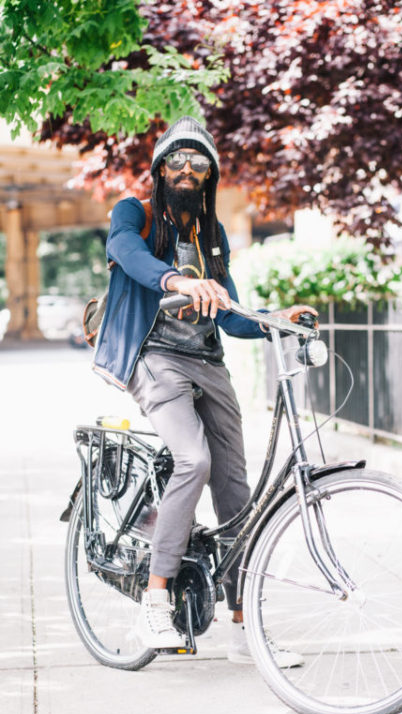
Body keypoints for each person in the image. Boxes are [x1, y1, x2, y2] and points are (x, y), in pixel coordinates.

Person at [93, 116, 316, 666]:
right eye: (177, 161)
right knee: (192, 459)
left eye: (198, 164)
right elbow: (126, 253)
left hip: (207, 364)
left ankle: (245, 627)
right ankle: (155, 599)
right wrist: (177, 280)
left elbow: (232, 317)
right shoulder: (136, 214)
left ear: (210, 175)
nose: (186, 171)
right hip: (154, 359)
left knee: (237, 489)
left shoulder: (209, 236)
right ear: (160, 168)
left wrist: (273, 319)